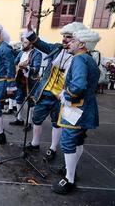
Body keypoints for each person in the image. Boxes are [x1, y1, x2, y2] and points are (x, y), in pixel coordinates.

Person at [24, 12, 88, 162]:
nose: (65, 39)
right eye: (64, 36)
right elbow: (38, 42)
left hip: (62, 96)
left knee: (57, 123)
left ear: (78, 39)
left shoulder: (79, 56)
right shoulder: (56, 49)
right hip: (45, 92)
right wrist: (28, 26)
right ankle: (35, 143)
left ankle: (52, 148)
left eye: (69, 36)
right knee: (36, 118)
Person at [52, 29, 100, 194]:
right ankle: (70, 171)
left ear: (82, 44)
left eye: (73, 40)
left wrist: (65, 95)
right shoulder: (89, 59)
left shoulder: (79, 59)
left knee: (68, 142)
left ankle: (69, 179)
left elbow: (78, 86)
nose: (69, 42)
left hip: (76, 109)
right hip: (85, 108)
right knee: (78, 141)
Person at [9, 36, 42, 131]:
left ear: (31, 44)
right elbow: (15, 63)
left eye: (25, 43)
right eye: (23, 42)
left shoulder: (37, 54)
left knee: (31, 101)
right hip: (20, 79)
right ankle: (20, 119)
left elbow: (36, 69)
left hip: (31, 80)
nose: (23, 44)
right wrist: (17, 65)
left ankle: (29, 122)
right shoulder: (21, 53)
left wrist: (26, 68)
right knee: (19, 98)